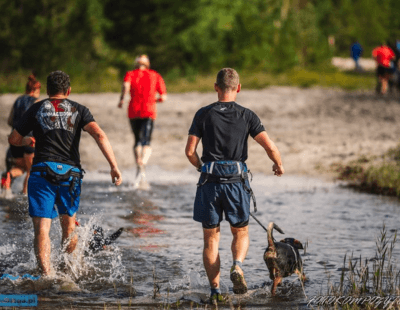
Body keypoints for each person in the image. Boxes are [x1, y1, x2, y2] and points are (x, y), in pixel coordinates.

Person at [8, 71, 122, 276]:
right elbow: (99, 134)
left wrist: (27, 141)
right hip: (70, 174)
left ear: (47, 91)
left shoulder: (36, 108)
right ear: (68, 91)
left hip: (42, 171)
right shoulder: (79, 109)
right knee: (69, 227)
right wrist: (113, 165)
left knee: (42, 227)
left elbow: (13, 139)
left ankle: (46, 275)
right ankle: (68, 272)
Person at [185, 68, 284, 303]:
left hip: (209, 183)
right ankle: (237, 266)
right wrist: (278, 164)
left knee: (211, 240)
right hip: (235, 184)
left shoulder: (203, 114)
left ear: (216, 87)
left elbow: (190, 152)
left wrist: (202, 168)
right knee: (240, 231)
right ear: (238, 88)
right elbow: (269, 146)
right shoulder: (247, 115)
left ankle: (215, 291)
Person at [118, 55, 167, 186]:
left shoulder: (130, 74)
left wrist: (122, 99)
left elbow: (126, 86)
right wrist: (153, 100)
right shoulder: (155, 75)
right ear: (147, 64)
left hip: (133, 110)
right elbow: (163, 97)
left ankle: (138, 164)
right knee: (147, 141)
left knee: (137, 140)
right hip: (149, 111)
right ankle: (143, 163)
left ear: (136, 63)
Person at [1, 74, 41, 197]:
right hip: (29, 141)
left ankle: (9, 175)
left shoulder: (18, 100)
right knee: (31, 171)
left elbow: (10, 121)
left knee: (22, 168)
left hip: (16, 140)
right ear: (35, 90)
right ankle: (25, 197)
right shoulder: (37, 102)